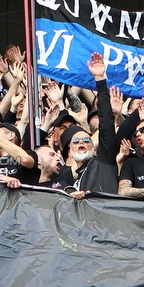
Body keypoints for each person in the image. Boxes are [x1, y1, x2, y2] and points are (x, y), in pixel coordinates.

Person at [52, 52, 122, 197]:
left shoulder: (104, 161)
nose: (81, 142)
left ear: (94, 148)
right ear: (70, 151)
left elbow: (106, 123)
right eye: (76, 141)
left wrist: (100, 80)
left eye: (86, 140)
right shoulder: (66, 176)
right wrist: (71, 193)